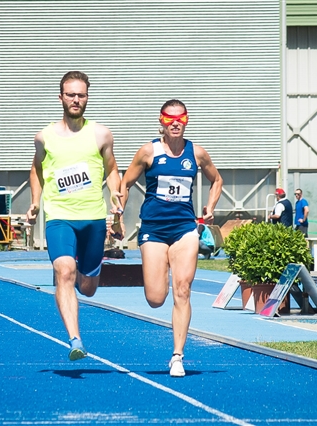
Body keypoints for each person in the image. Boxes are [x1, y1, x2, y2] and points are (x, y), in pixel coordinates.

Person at [120, 99, 222, 377]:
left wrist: (210, 207)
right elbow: (125, 183)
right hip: (153, 229)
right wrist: (118, 210)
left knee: (183, 289)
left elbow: (217, 180)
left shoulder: (197, 153)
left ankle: (177, 356)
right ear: (161, 121)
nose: (175, 123)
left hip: (184, 229)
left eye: (180, 118)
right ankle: (160, 267)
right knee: (155, 298)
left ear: (186, 120)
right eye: (169, 118)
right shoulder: (148, 152)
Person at [25, 71, 123, 361]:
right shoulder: (44, 137)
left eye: (81, 95)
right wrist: (35, 202)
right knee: (64, 272)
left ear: (87, 98)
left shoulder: (101, 134)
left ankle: (88, 268)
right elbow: (36, 169)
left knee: (89, 288)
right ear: (61, 98)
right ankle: (75, 340)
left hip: (93, 218)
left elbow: (112, 168)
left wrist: (116, 193)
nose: (76, 100)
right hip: (60, 217)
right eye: (71, 95)